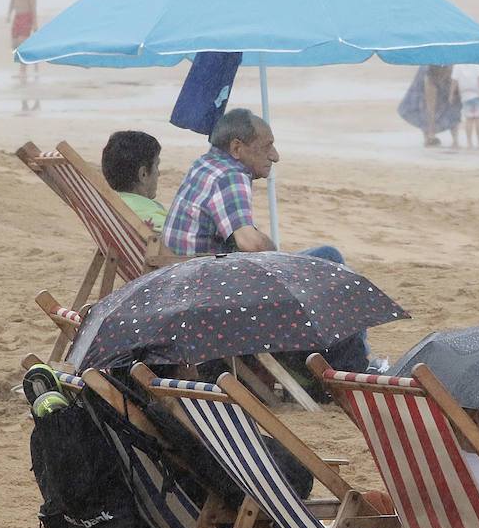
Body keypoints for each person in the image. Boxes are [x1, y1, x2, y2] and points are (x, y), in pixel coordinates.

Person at [161, 108, 377, 381]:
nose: (275, 156)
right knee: (329, 259)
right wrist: (279, 257)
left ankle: (352, 359)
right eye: (267, 146)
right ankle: (355, 364)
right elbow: (249, 243)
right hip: (216, 300)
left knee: (317, 263)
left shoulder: (204, 165)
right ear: (237, 147)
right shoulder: (230, 174)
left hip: (191, 289)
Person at [101, 130, 165, 233]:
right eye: (156, 166)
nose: (159, 174)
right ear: (143, 174)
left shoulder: (110, 207)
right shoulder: (147, 214)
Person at [398, 66, 461, 147]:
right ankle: (429, 135)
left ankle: (454, 139)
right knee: (428, 107)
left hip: (446, 73)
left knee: (453, 105)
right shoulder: (428, 71)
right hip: (431, 72)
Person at [7, 0, 37, 84]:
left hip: (26, 17)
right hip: (17, 17)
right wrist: (9, 14)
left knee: (22, 44)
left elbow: (33, 6)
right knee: (14, 44)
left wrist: (35, 23)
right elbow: (12, 1)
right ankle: (28, 63)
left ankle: (23, 71)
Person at [449, 63, 479, 148]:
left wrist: (451, 94)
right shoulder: (478, 64)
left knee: (469, 119)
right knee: (478, 118)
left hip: (465, 96)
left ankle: (469, 142)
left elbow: (454, 81)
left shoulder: (457, 65)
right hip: (478, 95)